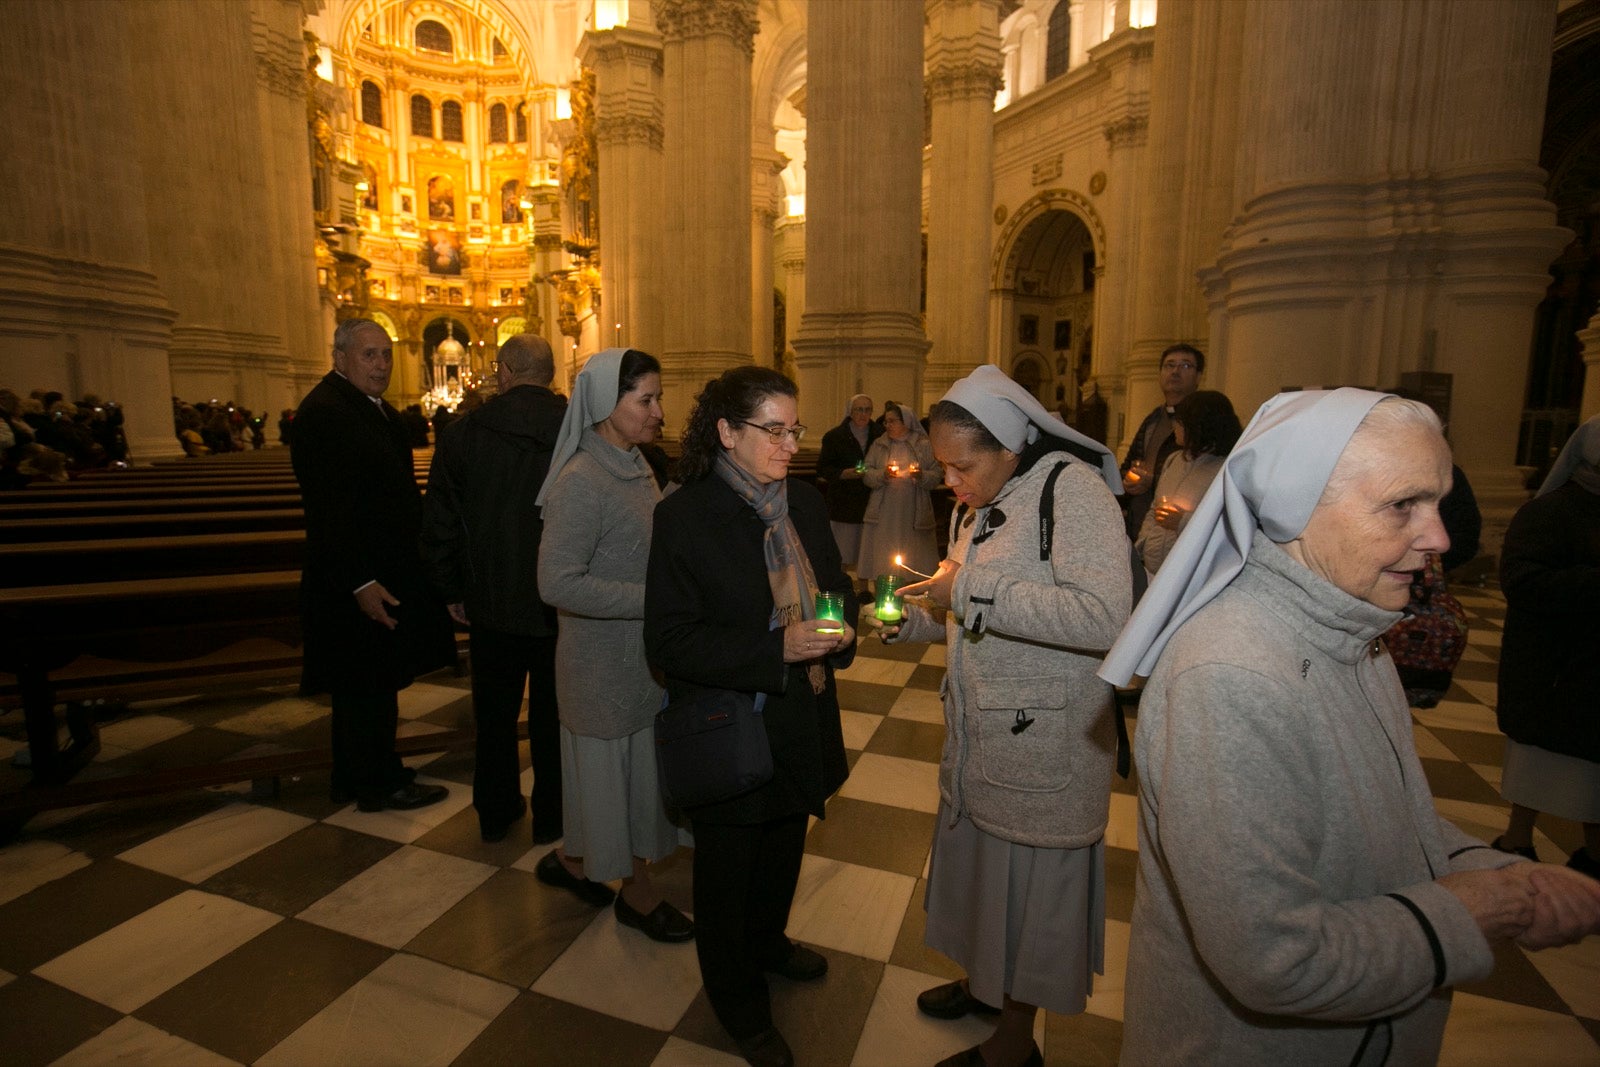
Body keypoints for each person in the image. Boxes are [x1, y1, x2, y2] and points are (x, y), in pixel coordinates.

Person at [1098, 388, 1600, 1066]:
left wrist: (1504, 875)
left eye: (1439, 501)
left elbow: (1381, 819)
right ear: (1298, 508)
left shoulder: (1350, 626)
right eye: (1404, 504)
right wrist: (1468, 912)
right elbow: (1274, 958)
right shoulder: (1232, 673)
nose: (1441, 537)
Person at [878, 364, 1131, 1067]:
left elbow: (1107, 615)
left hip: (1044, 743)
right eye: (944, 466)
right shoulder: (980, 502)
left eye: (962, 465)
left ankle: (1014, 1046)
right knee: (988, 879)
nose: (950, 481)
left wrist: (973, 587)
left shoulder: (1072, 494)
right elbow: (963, 612)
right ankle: (986, 985)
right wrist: (917, 625)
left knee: (1026, 898)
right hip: (985, 736)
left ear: (1009, 445)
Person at [644, 367, 856, 1067]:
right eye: (774, 429)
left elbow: (835, 589)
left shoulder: (805, 503)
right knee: (729, 870)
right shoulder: (685, 515)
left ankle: (769, 942)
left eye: (795, 428)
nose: (790, 443)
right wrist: (776, 648)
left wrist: (842, 624)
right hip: (730, 723)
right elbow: (669, 639)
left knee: (784, 844)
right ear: (728, 432)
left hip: (802, 712)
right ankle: (736, 998)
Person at [534, 348, 692, 939]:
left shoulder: (634, 463)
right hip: (599, 667)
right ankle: (638, 895)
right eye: (645, 399)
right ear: (607, 403)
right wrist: (652, 600)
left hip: (637, 663)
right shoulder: (582, 478)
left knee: (634, 780)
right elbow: (557, 583)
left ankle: (575, 860)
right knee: (613, 780)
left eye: (657, 397)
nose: (658, 411)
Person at [291, 318, 454, 812]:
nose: (381, 364)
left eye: (386, 354)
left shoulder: (363, 407)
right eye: (369, 355)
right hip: (355, 579)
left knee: (369, 683)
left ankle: (357, 774)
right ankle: (378, 783)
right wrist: (360, 580)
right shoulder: (324, 412)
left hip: (372, 573)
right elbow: (329, 509)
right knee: (367, 686)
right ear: (340, 357)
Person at [421, 333, 567, 843]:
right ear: (549, 375)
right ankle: (554, 818)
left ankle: (497, 811)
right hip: (560, 601)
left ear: (504, 372)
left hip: (489, 597)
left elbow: (440, 517)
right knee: (555, 717)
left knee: (495, 716)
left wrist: (450, 587)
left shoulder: (463, 433)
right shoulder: (577, 430)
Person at [1493, 413, 1600, 879]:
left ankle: (1594, 856)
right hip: (1551, 670)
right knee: (1540, 763)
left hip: (1588, 668)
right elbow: (1521, 580)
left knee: (1592, 771)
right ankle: (1518, 841)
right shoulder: (1548, 511)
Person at [1133, 389, 1241, 576]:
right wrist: (1140, 548)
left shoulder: (1225, 471)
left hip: (1188, 571)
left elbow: (1227, 525)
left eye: (1181, 422)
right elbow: (1155, 510)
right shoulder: (1174, 460)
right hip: (1152, 566)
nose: (1175, 426)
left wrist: (1182, 521)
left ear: (1200, 427)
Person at [1120, 343, 1203, 538]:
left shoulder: (1203, 421)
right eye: (1169, 365)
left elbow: (1201, 472)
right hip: (1140, 520)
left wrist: (1153, 480)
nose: (1175, 371)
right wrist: (1127, 481)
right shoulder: (1154, 419)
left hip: (1175, 528)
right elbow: (1129, 463)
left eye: (1185, 366)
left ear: (1199, 377)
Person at [856, 402, 942, 589]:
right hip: (885, 508)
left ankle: (912, 592)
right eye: (886, 422)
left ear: (906, 422)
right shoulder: (879, 444)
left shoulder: (923, 444)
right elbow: (866, 472)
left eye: (892, 421)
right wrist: (882, 475)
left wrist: (921, 476)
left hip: (913, 508)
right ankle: (885, 588)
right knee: (884, 553)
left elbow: (937, 475)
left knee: (913, 552)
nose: (887, 426)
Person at [815, 394, 881, 573]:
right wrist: (844, 474)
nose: (863, 414)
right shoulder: (835, 436)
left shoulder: (880, 434)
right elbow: (823, 467)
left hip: (872, 498)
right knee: (843, 550)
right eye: (859, 409)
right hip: (844, 501)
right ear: (850, 412)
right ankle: (841, 584)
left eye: (867, 409)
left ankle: (864, 589)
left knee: (867, 551)